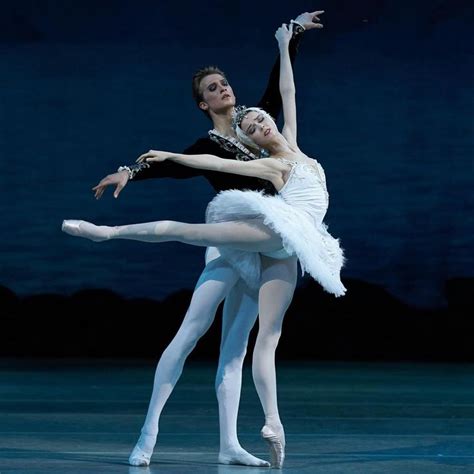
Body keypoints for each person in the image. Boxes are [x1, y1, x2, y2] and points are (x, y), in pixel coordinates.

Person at [63, 18, 346, 468]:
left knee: (237, 346)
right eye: (214, 88)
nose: (225, 90)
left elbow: (283, 90)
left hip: (267, 243)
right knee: (192, 330)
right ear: (203, 102)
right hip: (232, 241)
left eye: (226, 83)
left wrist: (290, 37)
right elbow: (178, 164)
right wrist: (131, 171)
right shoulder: (207, 144)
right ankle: (149, 432)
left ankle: (229, 444)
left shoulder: (261, 130)